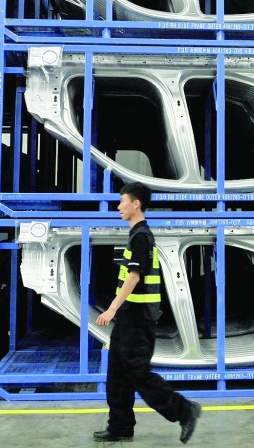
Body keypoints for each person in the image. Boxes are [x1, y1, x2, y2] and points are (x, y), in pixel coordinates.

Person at [93, 181, 202, 444]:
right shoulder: (136, 234)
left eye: (122, 201)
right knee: (117, 375)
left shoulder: (141, 236)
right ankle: (120, 427)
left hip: (138, 318)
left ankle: (184, 410)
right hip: (129, 318)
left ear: (136, 204)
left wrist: (111, 309)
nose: (118, 206)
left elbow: (133, 277)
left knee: (138, 373)